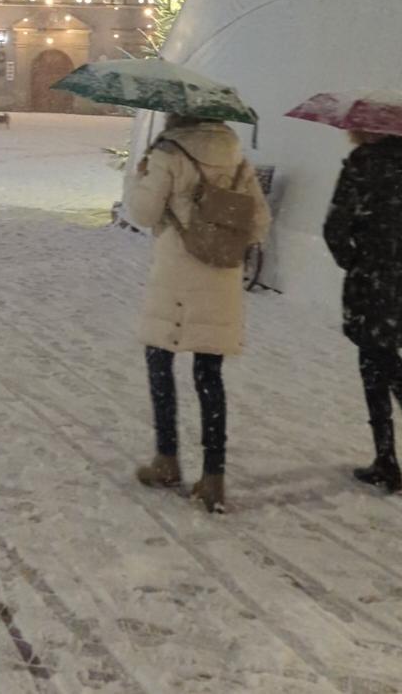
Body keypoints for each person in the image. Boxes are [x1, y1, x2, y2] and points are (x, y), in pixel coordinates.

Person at [123, 114, 270, 513]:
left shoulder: (168, 153)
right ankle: (214, 476)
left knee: (160, 361)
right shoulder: (235, 155)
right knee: (209, 375)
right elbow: (259, 223)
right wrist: (220, 230)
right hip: (220, 276)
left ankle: (167, 458)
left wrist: (140, 177)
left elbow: (143, 214)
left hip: (176, 273)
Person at [323, 133, 402, 493]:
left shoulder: (359, 168)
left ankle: (394, 455)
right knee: (380, 355)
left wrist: (355, 260)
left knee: (373, 357)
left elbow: (334, 229)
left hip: (372, 279)